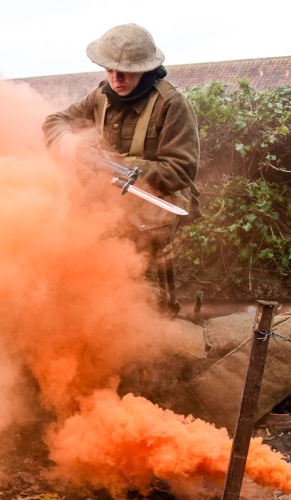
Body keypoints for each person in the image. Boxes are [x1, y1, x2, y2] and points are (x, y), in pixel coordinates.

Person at [43, 23, 200, 312]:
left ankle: (152, 329)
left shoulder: (172, 104)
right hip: (109, 202)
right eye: (109, 70)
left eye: (125, 70)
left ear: (146, 69)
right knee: (76, 261)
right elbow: (55, 121)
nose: (116, 78)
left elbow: (180, 171)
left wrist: (115, 166)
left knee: (140, 293)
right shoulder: (101, 96)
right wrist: (67, 140)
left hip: (154, 210)